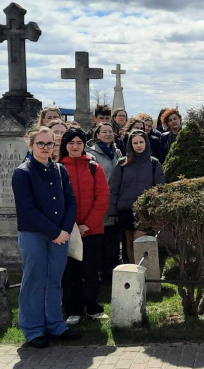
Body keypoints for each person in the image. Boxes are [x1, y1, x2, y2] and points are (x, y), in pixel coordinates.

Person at [12, 126, 80, 348]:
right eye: (40, 143)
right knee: (34, 280)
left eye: (49, 143)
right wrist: (55, 232)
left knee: (54, 280)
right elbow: (27, 210)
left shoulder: (60, 170)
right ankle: (33, 329)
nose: (45, 148)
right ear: (31, 145)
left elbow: (70, 201)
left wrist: (65, 231)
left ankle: (55, 324)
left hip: (61, 235)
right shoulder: (22, 173)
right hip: (35, 234)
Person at [58, 128, 110, 325]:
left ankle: (92, 307)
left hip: (92, 230)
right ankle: (73, 309)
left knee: (91, 271)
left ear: (84, 145)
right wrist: (71, 226)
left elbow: (102, 198)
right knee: (70, 272)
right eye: (71, 143)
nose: (75, 146)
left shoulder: (95, 167)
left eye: (79, 142)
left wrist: (87, 224)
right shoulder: (58, 167)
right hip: (67, 231)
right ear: (65, 145)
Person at [108, 131, 166, 263]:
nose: (139, 145)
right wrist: (113, 210)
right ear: (130, 145)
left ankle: (142, 270)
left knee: (139, 240)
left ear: (146, 143)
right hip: (126, 209)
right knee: (129, 242)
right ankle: (133, 271)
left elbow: (160, 187)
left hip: (145, 210)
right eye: (135, 143)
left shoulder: (154, 163)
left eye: (141, 142)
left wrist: (156, 208)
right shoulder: (123, 163)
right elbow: (114, 188)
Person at [87, 123, 124, 278]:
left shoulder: (117, 152)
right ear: (97, 135)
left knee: (113, 239)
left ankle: (112, 271)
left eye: (110, 131)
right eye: (104, 132)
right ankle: (99, 271)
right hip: (99, 200)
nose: (108, 134)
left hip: (115, 200)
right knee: (99, 239)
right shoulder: (91, 153)